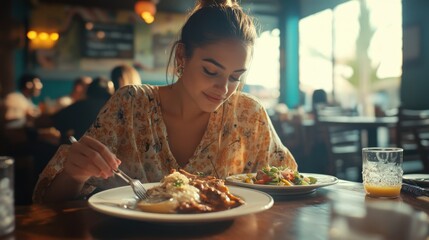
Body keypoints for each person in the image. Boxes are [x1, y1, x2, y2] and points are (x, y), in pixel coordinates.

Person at [33, 0, 298, 203]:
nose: (224, 88)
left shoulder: (248, 114)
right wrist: (74, 174)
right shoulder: (131, 105)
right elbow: (48, 202)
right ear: (182, 55)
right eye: (211, 71)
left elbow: (290, 184)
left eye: (235, 77)